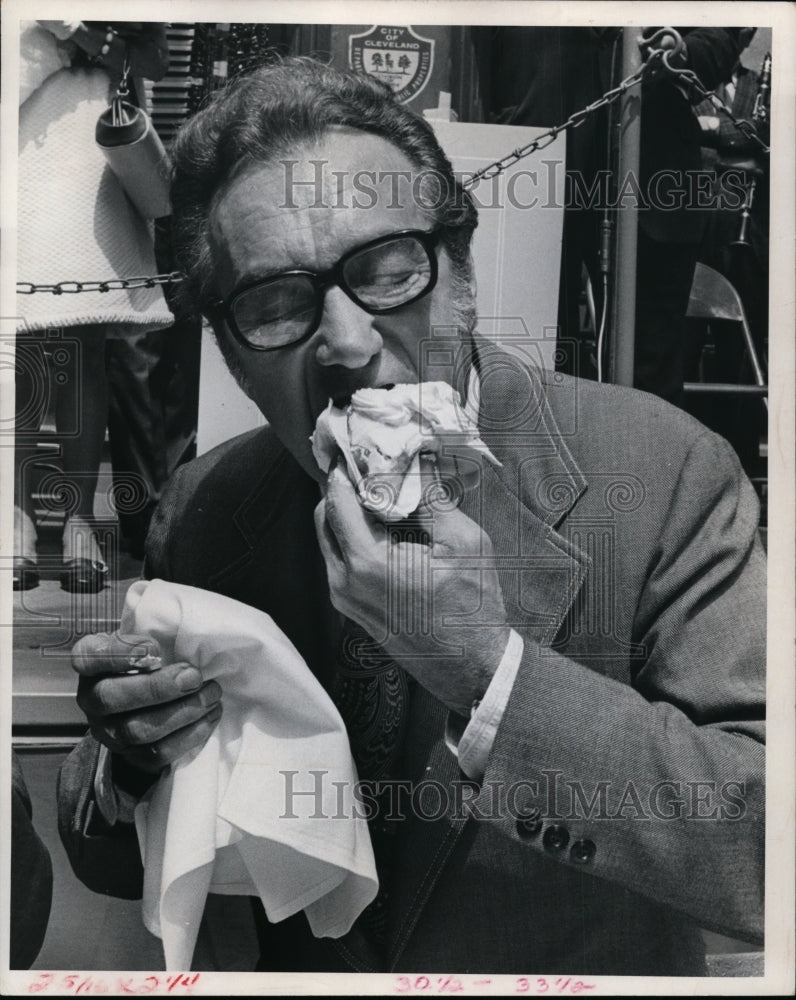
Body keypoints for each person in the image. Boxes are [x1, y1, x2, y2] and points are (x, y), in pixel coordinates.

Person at [56, 57, 765, 975]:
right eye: (276, 304)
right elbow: (106, 853)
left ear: (461, 278)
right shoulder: (208, 508)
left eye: (390, 272)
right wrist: (132, 759)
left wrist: (487, 669)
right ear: (228, 349)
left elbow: (760, 849)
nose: (349, 345)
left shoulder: (662, 471)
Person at [14, 20, 173, 592]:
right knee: (25, 338)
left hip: (90, 138)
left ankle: (79, 521)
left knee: (81, 340)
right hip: (20, 127)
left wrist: (88, 35)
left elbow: (155, 59)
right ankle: (20, 521)